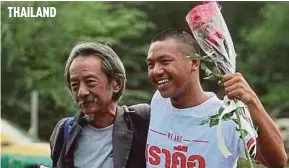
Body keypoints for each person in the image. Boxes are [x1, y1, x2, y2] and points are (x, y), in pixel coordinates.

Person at [145, 29, 287, 168]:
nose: (155, 71)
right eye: (150, 64)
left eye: (165, 61)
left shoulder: (227, 118)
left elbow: (277, 161)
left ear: (194, 62)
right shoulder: (158, 101)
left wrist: (252, 101)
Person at [49, 42, 150, 168]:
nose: (82, 92)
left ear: (117, 83)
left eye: (90, 82)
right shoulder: (64, 130)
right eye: (75, 85)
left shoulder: (141, 122)